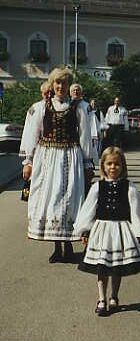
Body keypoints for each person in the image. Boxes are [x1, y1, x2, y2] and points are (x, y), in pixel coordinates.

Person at [19, 68, 94, 263]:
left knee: (70, 197)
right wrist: (28, 161)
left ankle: (68, 244)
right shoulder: (41, 107)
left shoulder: (79, 107)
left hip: (71, 156)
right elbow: (32, 134)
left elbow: (85, 136)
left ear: (69, 86)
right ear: (52, 85)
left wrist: (88, 163)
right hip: (48, 158)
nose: (61, 87)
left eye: (64, 83)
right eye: (57, 83)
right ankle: (56, 246)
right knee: (51, 199)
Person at [74, 147, 140, 316]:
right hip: (102, 230)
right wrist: (84, 230)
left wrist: (139, 232)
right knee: (102, 267)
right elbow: (89, 209)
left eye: (117, 164)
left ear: (123, 166)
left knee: (117, 266)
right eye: (109, 164)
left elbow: (136, 210)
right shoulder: (98, 187)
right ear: (103, 166)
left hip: (121, 230)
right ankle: (101, 298)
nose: (113, 167)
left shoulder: (129, 188)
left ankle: (114, 297)